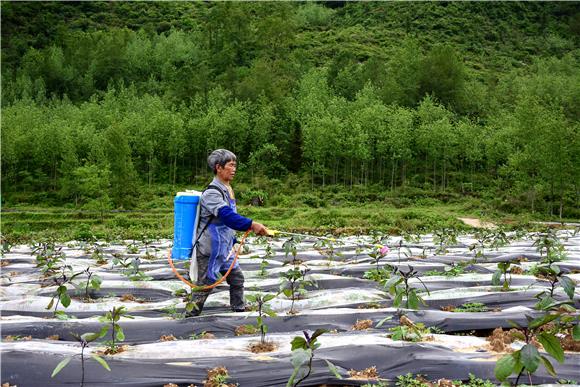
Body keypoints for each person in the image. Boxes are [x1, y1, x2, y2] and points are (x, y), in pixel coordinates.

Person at [189, 149, 268, 315]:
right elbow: (227, 216)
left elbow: (230, 222)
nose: (234, 169)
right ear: (218, 167)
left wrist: (232, 242)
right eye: (231, 165)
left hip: (224, 249)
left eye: (235, 165)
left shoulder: (227, 188)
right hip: (210, 249)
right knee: (205, 286)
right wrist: (252, 224)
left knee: (237, 279)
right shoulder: (212, 193)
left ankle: (238, 313)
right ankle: (189, 319)